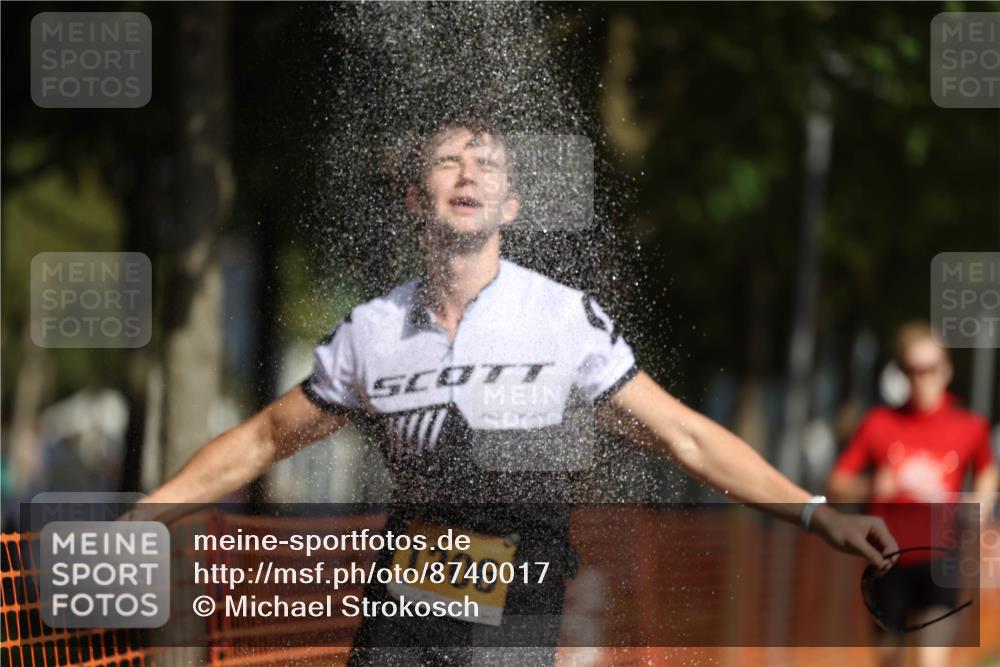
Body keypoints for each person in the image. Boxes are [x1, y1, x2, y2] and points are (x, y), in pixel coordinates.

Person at [140, 118, 898, 665]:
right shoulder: (373, 329)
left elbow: (684, 434)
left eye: (487, 165)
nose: (467, 173)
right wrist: (147, 516)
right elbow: (266, 438)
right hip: (410, 584)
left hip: (518, 584)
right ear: (415, 199)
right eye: (446, 161)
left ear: (511, 206)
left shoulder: (561, 316)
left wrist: (814, 511)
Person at [827, 322, 998, 667]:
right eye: (914, 370)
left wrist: (979, 504)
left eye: (931, 368)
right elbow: (835, 486)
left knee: (929, 663)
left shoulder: (969, 426)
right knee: (890, 661)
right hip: (886, 562)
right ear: (903, 372)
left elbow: (987, 469)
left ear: (946, 370)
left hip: (941, 561)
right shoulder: (878, 423)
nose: (923, 378)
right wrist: (873, 485)